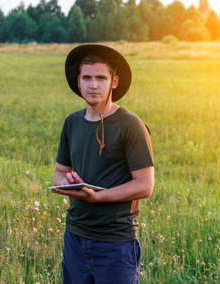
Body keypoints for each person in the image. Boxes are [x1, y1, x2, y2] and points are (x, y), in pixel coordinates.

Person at [51, 44, 154, 284]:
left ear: (114, 82)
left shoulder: (131, 125)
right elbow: (59, 172)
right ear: (78, 82)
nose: (93, 85)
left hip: (115, 243)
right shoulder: (72, 123)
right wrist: (70, 185)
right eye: (86, 77)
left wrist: (99, 196)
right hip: (75, 237)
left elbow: (145, 185)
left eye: (101, 78)